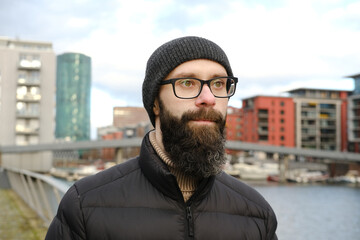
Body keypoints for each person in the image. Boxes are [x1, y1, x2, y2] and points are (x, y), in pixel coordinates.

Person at [45, 36, 278, 240]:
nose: (208, 98)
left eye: (218, 84)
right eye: (187, 83)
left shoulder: (257, 214)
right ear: (155, 102)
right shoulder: (84, 206)